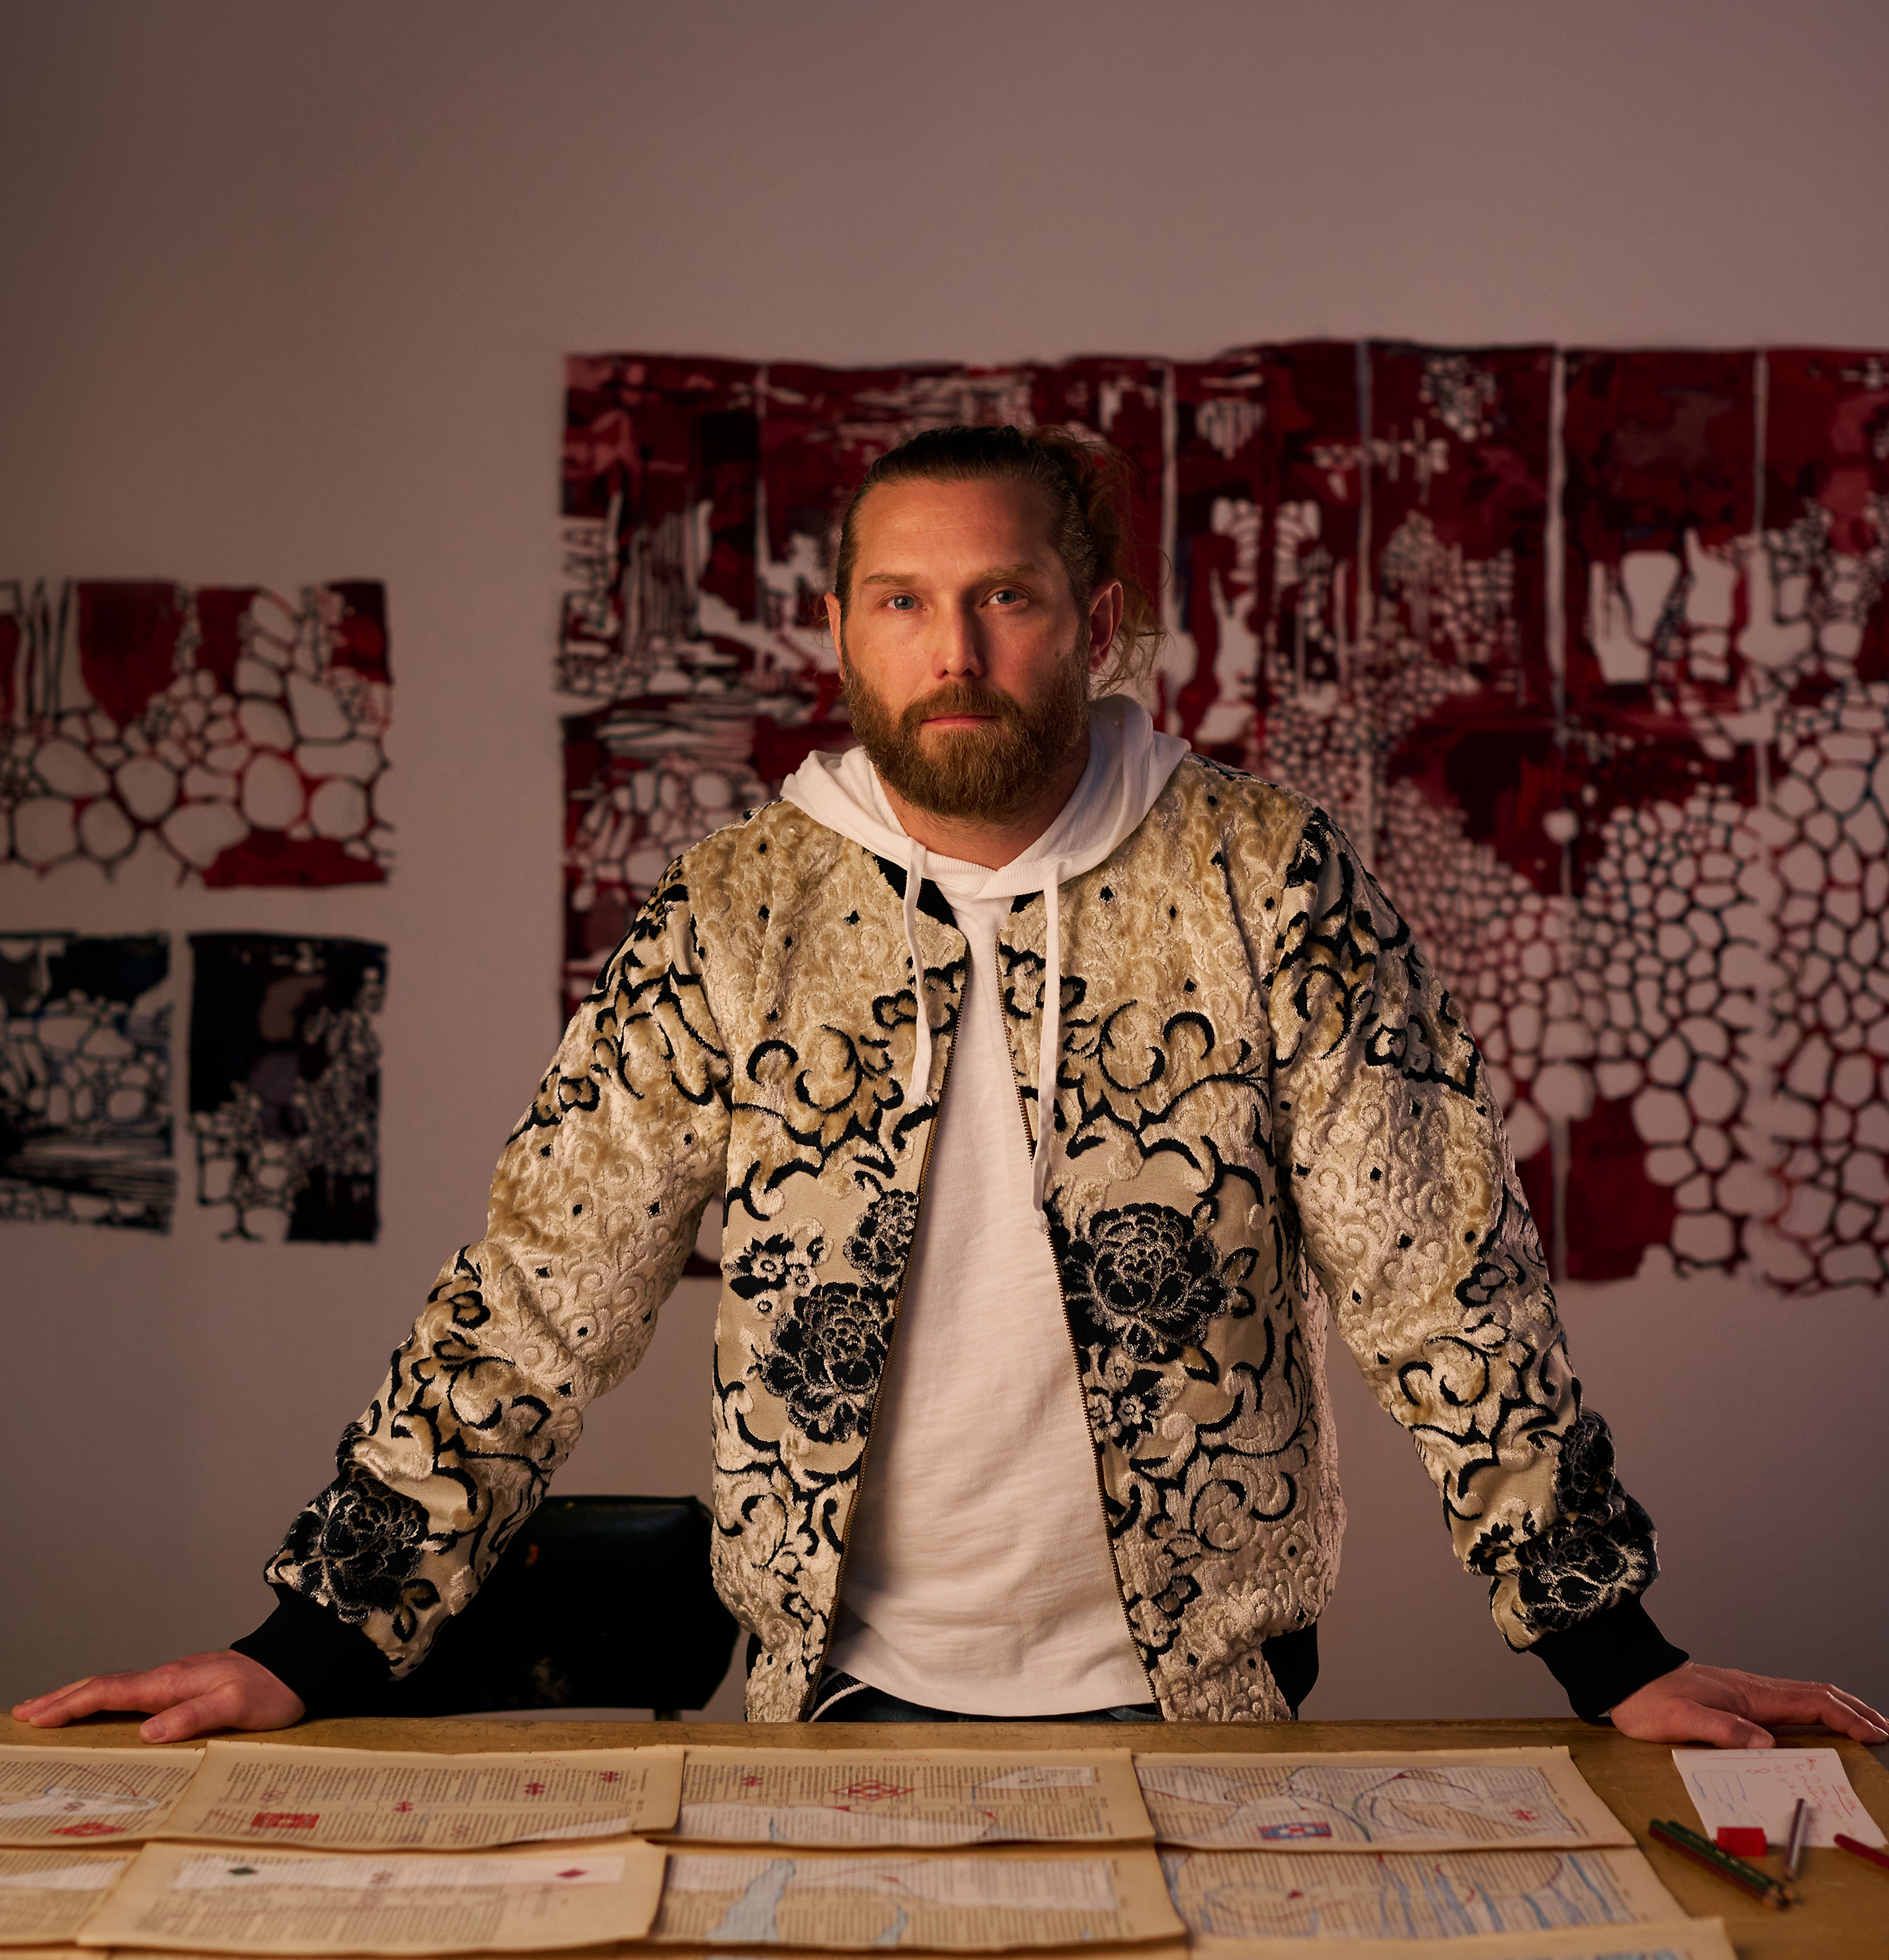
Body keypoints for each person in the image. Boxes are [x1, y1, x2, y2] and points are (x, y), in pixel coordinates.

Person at [18, 427, 1885, 1758]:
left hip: (1205, 1712)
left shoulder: (1268, 880)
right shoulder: (735, 911)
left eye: (1004, 597)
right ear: (841, 627)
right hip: (830, 1709)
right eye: (904, 601)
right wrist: (309, 1645)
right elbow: (538, 1294)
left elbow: (1440, 1273)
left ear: (1098, 620)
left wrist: (1613, 1651)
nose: (954, 651)